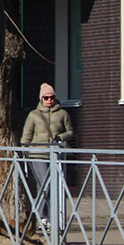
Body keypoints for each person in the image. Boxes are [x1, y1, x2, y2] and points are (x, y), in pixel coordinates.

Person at [20, 82, 75, 231]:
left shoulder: (63, 114)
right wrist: (24, 153)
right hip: (38, 154)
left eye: (51, 97)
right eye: (46, 97)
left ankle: (52, 218)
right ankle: (40, 216)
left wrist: (61, 137)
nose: (49, 100)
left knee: (56, 185)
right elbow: (26, 137)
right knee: (45, 182)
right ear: (41, 98)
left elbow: (70, 132)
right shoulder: (34, 115)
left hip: (56, 154)